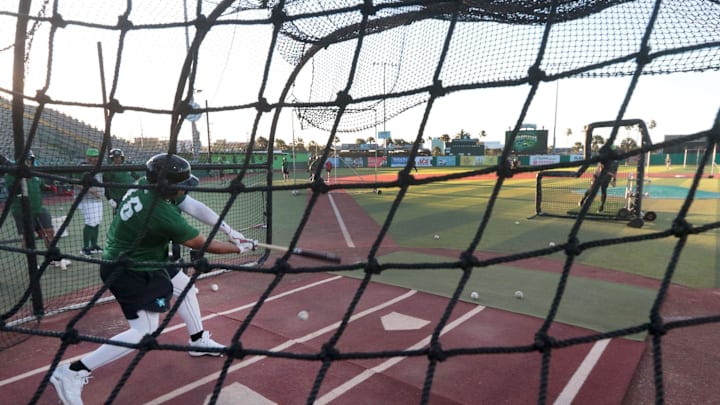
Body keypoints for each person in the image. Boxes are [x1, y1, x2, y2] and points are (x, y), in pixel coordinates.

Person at [50, 153, 255, 405]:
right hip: (129, 270)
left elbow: (192, 206)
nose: (183, 190)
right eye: (179, 185)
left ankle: (198, 340)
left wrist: (231, 232)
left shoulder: (146, 184)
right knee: (143, 333)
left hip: (146, 258)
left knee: (186, 289)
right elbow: (202, 243)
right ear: (167, 186)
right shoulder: (160, 213)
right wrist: (239, 248)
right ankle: (73, 372)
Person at [2, 151, 71, 269]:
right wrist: (24, 177)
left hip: (39, 207)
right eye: (26, 160)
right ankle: (32, 263)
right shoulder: (13, 173)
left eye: (30, 160)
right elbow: (13, 188)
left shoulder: (34, 172)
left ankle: (52, 259)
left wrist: (49, 187)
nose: (28, 162)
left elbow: (40, 184)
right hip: (22, 210)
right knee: (27, 237)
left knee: (49, 232)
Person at [76, 148, 105, 256]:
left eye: (97, 156)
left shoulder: (98, 168)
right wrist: (91, 191)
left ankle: (94, 246)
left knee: (96, 223)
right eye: (93, 157)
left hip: (97, 199)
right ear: (87, 157)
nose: (95, 159)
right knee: (90, 223)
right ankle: (85, 248)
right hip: (86, 199)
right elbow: (74, 183)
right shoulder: (82, 167)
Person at [578, 146, 620, 213]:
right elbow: (600, 168)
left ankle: (601, 207)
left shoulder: (616, 161)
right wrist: (594, 176)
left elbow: (615, 171)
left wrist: (614, 180)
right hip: (599, 176)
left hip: (607, 178)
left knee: (604, 191)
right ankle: (583, 199)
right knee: (592, 189)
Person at [103, 148, 139, 215]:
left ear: (122, 158)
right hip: (118, 198)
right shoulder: (109, 170)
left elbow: (137, 177)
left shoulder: (127, 167)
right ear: (112, 159)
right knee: (119, 217)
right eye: (115, 158)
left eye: (119, 157)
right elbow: (105, 185)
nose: (117, 159)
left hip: (130, 196)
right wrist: (109, 199)